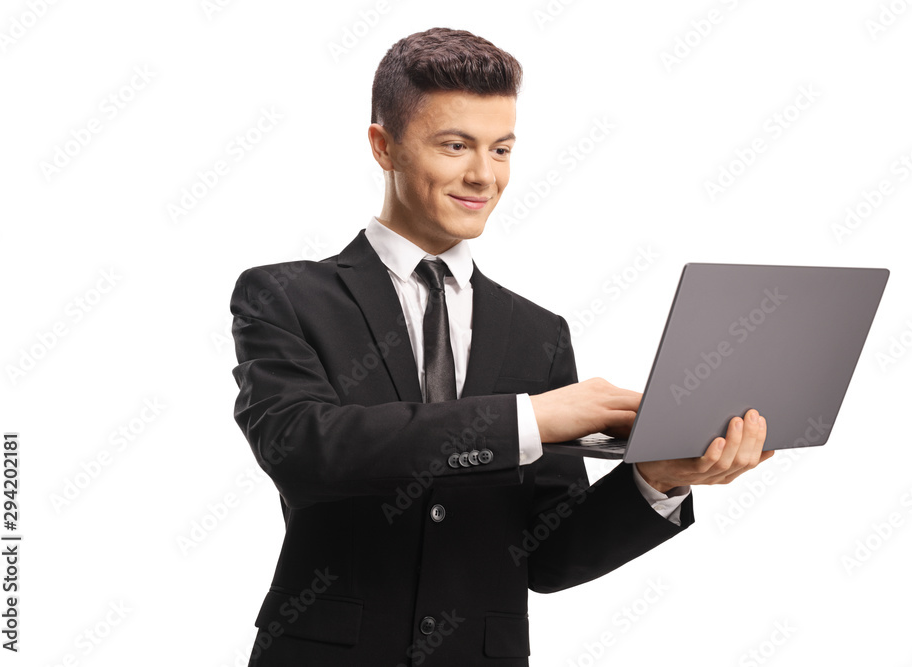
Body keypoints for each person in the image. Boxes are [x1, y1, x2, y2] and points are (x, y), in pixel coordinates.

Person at [229, 26, 772, 666]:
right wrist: (529, 418)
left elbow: (547, 556)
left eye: (503, 149)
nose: (484, 176)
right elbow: (302, 449)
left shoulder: (537, 333)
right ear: (384, 146)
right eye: (456, 146)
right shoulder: (285, 295)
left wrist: (654, 481)